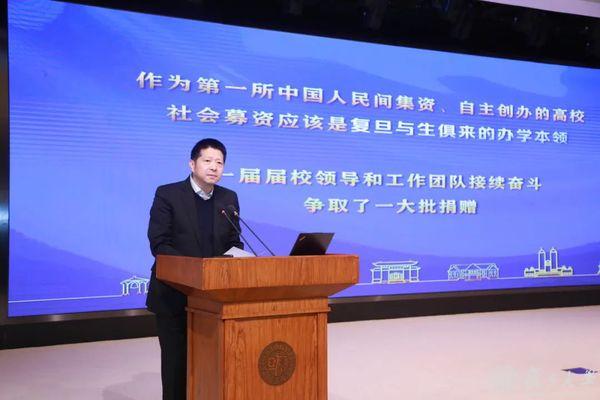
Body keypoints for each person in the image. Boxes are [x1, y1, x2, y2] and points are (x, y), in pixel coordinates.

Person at [146, 138, 243, 400]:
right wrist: (196, 270)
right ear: (192, 164)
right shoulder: (168, 194)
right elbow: (159, 244)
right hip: (174, 294)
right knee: (176, 366)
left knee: (212, 365)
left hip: (213, 298)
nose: (214, 167)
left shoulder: (228, 198)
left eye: (219, 162)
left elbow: (234, 242)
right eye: (207, 160)